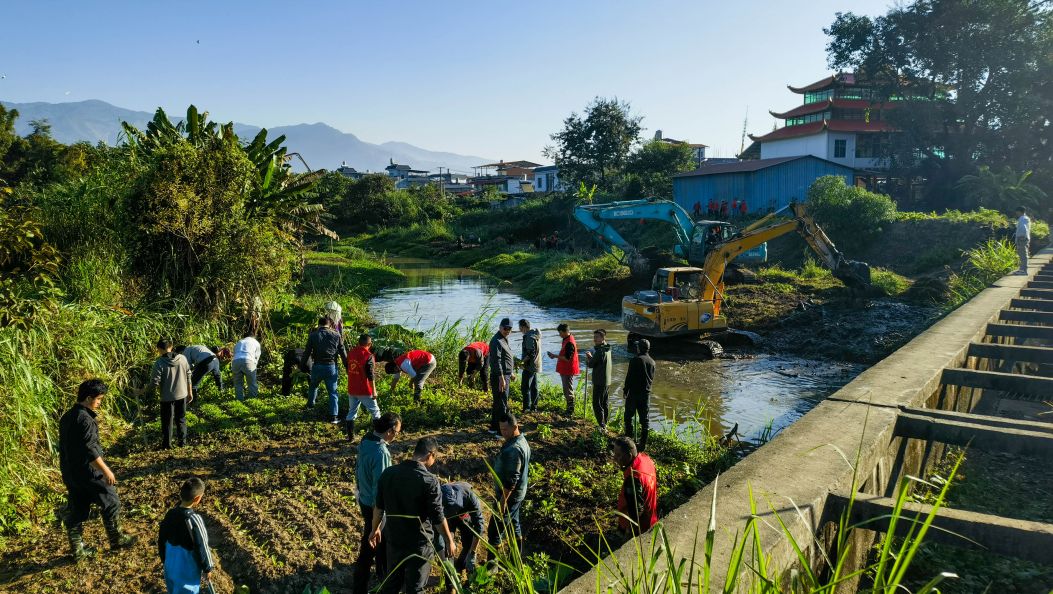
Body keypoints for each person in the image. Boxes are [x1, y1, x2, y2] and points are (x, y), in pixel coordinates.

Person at [58, 379, 137, 561]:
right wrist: (106, 471)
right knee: (111, 501)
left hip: (70, 471)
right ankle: (117, 539)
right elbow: (90, 450)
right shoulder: (86, 419)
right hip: (88, 471)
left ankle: (78, 551)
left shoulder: (67, 417)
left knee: (78, 509)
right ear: (88, 398)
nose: (100, 403)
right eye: (99, 399)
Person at [369, 437, 456, 594]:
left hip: (394, 540)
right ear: (430, 455)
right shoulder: (429, 480)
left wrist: (374, 529)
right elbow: (437, 516)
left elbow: (379, 508)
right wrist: (449, 540)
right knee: (415, 588)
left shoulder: (388, 474)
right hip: (420, 543)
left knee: (391, 585)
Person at [353, 413, 401, 594]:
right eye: (396, 432)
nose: (396, 436)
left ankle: (381, 580)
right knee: (371, 545)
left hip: (363, 499)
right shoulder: (381, 453)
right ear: (389, 431)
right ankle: (363, 587)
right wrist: (377, 524)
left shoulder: (366, 440)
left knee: (381, 546)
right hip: (375, 507)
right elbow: (380, 491)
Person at [158, 477, 215, 594]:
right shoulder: (194, 519)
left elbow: (161, 539)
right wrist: (207, 568)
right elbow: (202, 545)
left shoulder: (170, 514)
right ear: (197, 498)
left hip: (170, 564)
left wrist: (164, 559)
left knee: (173, 589)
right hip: (187, 568)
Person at [487, 413, 531, 558]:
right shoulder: (522, 441)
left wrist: (503, 501)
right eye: (501, 429)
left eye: (505, 429)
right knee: (514, 524)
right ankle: (516, 557)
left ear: (515, 427)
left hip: (509, 496)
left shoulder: (514, 449)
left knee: (495, 530)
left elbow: (512, 479)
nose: (502, 433)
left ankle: (491, 567)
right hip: (517, 494)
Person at [436, 482, 485, 588]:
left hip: (464, 514)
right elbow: (437, 530)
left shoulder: (470, 496)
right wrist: (444, 550)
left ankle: (461, 564)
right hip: (446, 518)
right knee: (447, 549)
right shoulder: (436, 499)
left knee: (469, 541)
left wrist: (472, 554)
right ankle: (451, 582)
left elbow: (479, 527)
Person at [303, 316, 348, 424]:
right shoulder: (336, 335)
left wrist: (302, 365)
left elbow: (307, 352)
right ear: (329, 325)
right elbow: (342, 352)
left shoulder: (313, 335)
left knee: (313, 386)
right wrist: (347, 366)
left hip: (317, 366)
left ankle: (310, 406)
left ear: (319, 324)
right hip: (331, 367)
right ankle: (334, 417)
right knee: (333, 392)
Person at [612, 436, 658, 536]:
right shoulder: (645, 459)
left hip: (641, 527)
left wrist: (630, 530)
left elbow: (636, 510)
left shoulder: (633, 479)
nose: (614, 457)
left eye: (618, 455)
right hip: (652, 517)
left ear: (629, 456)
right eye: (614, 453)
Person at [153, 339, 192, 449]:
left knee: (167, 421)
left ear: (159, 349)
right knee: (181, 419)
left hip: (167, 397)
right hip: (182, 394)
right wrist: (190, 392)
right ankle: (182, 443)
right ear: (171, 346)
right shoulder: (183, 358)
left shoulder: (159, 362)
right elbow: (189, 375)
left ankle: (167, 445)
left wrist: (142, 391)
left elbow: (154, 382)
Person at [623, 339, 656, 451]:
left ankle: (629, 440)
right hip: (646, 394)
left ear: (639, 348)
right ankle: (642, 444)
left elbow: (629, 377)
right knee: (645, 420)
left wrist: (625, 390)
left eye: (637, 347)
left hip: (634, 394)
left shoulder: (635, 360)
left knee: (628, 417)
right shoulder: (652, 362)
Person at [346, 334, 380, 441]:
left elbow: (348, 368)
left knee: (352, 412)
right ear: (369, 344)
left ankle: (351, 437)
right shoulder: (368, 355)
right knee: (375, 411)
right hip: (364, 389)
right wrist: (374, 390)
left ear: (358, 343)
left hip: (352, 388)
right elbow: (370, 375)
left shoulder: (351, 353)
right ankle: (378, 436)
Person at [488, 318, 515, 435]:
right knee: (502, 404)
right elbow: (496, 361)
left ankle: (494, 427)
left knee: (498, 403)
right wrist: (502, 378)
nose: (507, 330)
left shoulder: (503, 339)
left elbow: (505, 358)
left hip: (505, 375)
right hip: (500, 377)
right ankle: (500, 432)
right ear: (500, 327)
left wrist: (511, 372)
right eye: (505, 328)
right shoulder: (496, 341)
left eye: (509, 329)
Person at [547, 323, 579, 416]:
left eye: (560, 332)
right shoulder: (567, 339)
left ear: (565, 332)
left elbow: (567, 358)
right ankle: (569, 408)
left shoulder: (569, 342)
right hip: (566, 369)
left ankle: (570, 410)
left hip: (568, 369)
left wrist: (555, 356)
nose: (559, 334)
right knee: (567, 388)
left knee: (568, 389)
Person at [585, 329, 613, 428]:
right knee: (604, 403)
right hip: (607, 381)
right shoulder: (608, 348)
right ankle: (605, 423)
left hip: (599, 381)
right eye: (594, 337)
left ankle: (601, 426)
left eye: (597, 337)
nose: (594, 339)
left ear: (602, 338)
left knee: (597, 404)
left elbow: (591, 364)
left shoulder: (600, 351)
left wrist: (589, 357)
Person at [518, 319, 542, 412]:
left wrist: (521, 362)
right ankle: (534, 407)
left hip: (529, 366)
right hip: (536, 364)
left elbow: (530, 353)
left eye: (520, 327)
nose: (519, 329)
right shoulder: (536, 335)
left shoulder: (529, 336)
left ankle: (527, 408)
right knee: (534, 387)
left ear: (523, 327)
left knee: (525, 387)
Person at [231, 329, 261, 401]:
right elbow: (257, 356)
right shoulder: (255, 342)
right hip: (248, 360)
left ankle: (239, 400)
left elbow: (235, 354)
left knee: (238, 383)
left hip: (236, 361)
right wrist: (254, 366)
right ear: (253, 336)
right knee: (251, 382)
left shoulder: (239, 342)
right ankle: (252, 400)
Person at [1014, 206, 1031, 275]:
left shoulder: (1022, 218)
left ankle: (1023, 270)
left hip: (1022, 239)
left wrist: (1021, 237)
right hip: (1024, 238)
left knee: (1023, 254)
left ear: (1019, 211)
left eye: (1017, 211)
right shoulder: (1025, 218)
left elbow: (1023, 229)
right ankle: (1022, 269)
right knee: (1022, 254)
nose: (1016, 213)